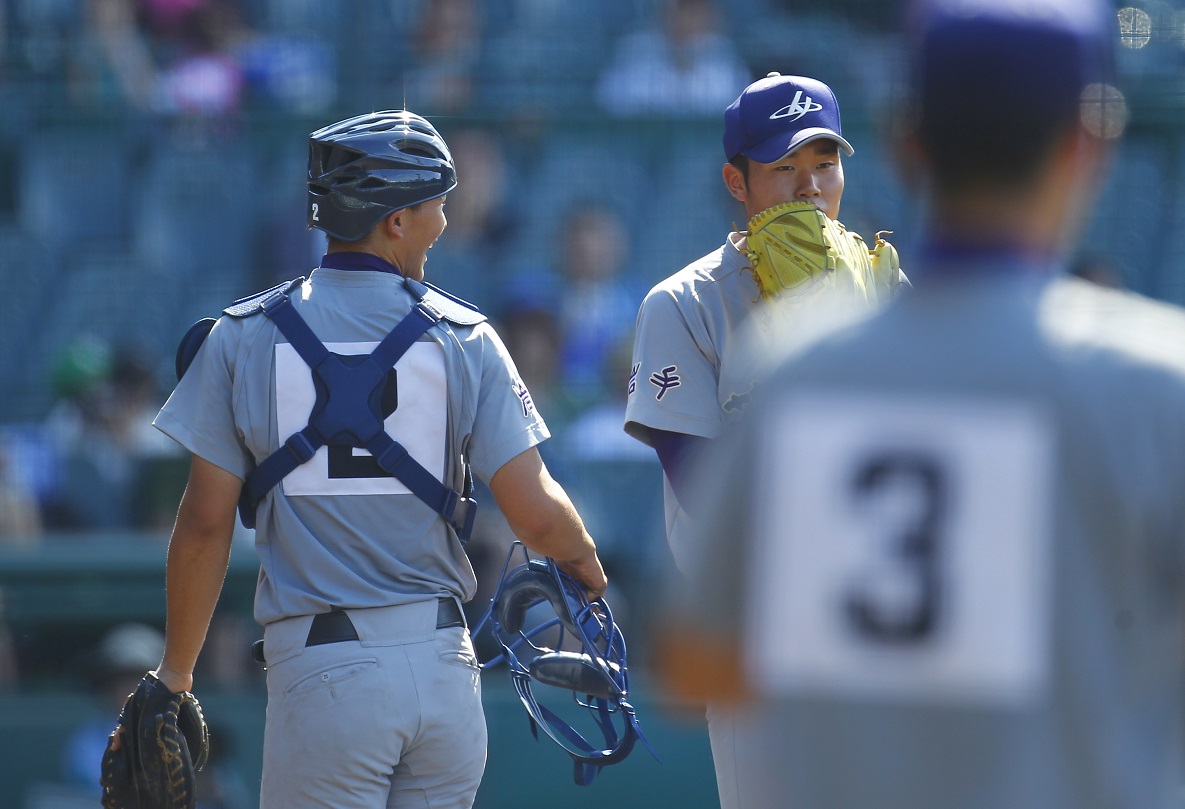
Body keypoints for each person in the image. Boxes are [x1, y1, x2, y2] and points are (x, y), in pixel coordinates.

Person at [658, 2, 1175, 808]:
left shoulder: (802, 366)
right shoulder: (1160, 378)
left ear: (906, 146)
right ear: (1088, 147)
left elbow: (697, 659)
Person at [109, 109, 608, 809]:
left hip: (325, 676)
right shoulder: (465, 336)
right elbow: (535, 509)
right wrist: (584, 562)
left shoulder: (240, 336)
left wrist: (178, 671)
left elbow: (203, 524)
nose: (444, 217)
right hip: (442, 672)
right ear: (395, 221)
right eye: (434, 201)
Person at [623, 71, 906, 809]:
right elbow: (705, 487)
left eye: (824, 162)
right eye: (783, 165)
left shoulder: (884, 290)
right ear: (735, 180)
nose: (809, 184)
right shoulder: (683, 302)